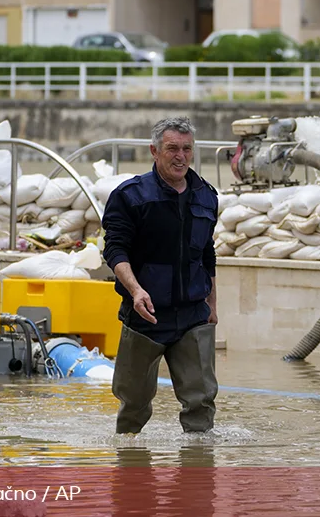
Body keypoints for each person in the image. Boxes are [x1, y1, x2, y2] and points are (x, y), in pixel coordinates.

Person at [101, 116, 220, 434]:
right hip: (146, 316)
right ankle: (128, 467)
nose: (180, 156)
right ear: (154, 151)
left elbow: (206, 255)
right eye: (172, 148)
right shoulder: (130, 197)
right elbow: (115, 251)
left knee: (201, 400)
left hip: (193, 315)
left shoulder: (206, 196)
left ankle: (197, 472)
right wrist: (136, 290)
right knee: (134, 404)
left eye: (186, 148)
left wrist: (212, 305)